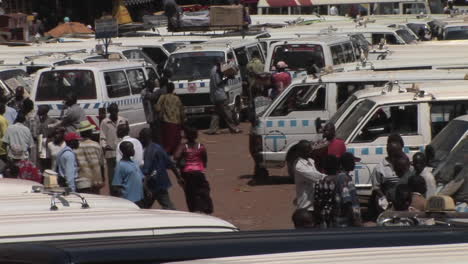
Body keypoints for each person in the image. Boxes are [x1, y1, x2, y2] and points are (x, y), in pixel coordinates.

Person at [140, 128, 184, 210]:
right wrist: (178, 177)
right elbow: (170, 164)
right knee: (166, 204)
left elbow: (146, 171)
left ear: (144, 138)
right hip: (161, 182)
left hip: (152, 184)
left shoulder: (149, 151)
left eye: (141, 138)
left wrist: (145, 187)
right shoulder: (158, 147)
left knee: (143, 207)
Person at [174, 126, 213, 214]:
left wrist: (183, 158)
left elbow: (176, 156)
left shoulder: (184, 146)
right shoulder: (200, 146)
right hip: (199, 171)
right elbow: (204, 159)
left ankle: (194, 209)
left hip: (187, 173)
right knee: (203, 189)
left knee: (190, 192)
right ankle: (206, 207)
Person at [314, 155, 361, 228]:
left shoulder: (320, 182)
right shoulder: (342, 178)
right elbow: (346, 201)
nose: (354, 164)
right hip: (341, 219)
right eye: (352, 162)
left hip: (325, 216)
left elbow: (317, 202)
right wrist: (355, 219)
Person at [206, 60, 241, 135]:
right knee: (227, 113)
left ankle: (212, 129)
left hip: (215, 95)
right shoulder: (216, 71)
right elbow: (218, 83)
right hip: (220, 95)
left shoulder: (214, 70)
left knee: (216, 113)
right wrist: (227, 78)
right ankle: (234, 129)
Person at [100, 103, 128, 188]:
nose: (114, 113)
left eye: (116, 111)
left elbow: (127, 134)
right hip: (110, 153)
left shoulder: (123, 120)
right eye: (112, 111)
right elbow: (102, 137)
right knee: (112, 175)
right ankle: (113, 192)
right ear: (109, 112)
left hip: (122, 152)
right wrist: (104, 146)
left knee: (122, 173)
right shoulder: (105, 122)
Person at [74, 121, 105, 194]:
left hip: (82, 181)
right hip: (96, 180)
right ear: (90, 132)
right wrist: (102, 178)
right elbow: (102, 163)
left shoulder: (76, 146)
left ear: (81, 133)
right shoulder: (96, 145)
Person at [294, 140, 325, 211]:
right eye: (308, 149)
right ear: (301, 151)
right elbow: (318, 177)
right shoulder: (300, 167)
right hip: (306, 207)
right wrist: (333, 177)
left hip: (314, 204)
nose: (311, 150)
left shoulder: (311, 161)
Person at [155, 82, 185, 155]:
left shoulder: (163, 97)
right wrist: (183, 120)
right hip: (177, 122)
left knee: (167, 142)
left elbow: (157, 108)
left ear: (166, 88)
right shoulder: (177, 98)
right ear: (173, 89)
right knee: (176, 141)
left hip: (167, 122)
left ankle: (166, 158)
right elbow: (182, 110)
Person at [112, 141, 145, 206]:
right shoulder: (120, 165)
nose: (133, 150)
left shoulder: (134, 163)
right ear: (124, 151)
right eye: (131, 148)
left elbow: (141, 179)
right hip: (129, 200)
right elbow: (116, 186)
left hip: (139, 198)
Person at [36, 105, 58, 170]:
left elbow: (58, 124)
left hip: (47, 143)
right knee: (40, 160)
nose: (38, 111)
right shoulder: (38, 120)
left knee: (47, 160)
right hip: (40, 142)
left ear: (45, 111)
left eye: (40, 109)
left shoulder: (51, 120)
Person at [141, 78, 160, 143]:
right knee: (153, 129)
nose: (153, 86)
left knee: (157, 131)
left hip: (156, 114)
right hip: (150, 114)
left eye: (153, 84)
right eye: (151, 85)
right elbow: (150, 96)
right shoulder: (144, 92)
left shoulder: (155, 90)